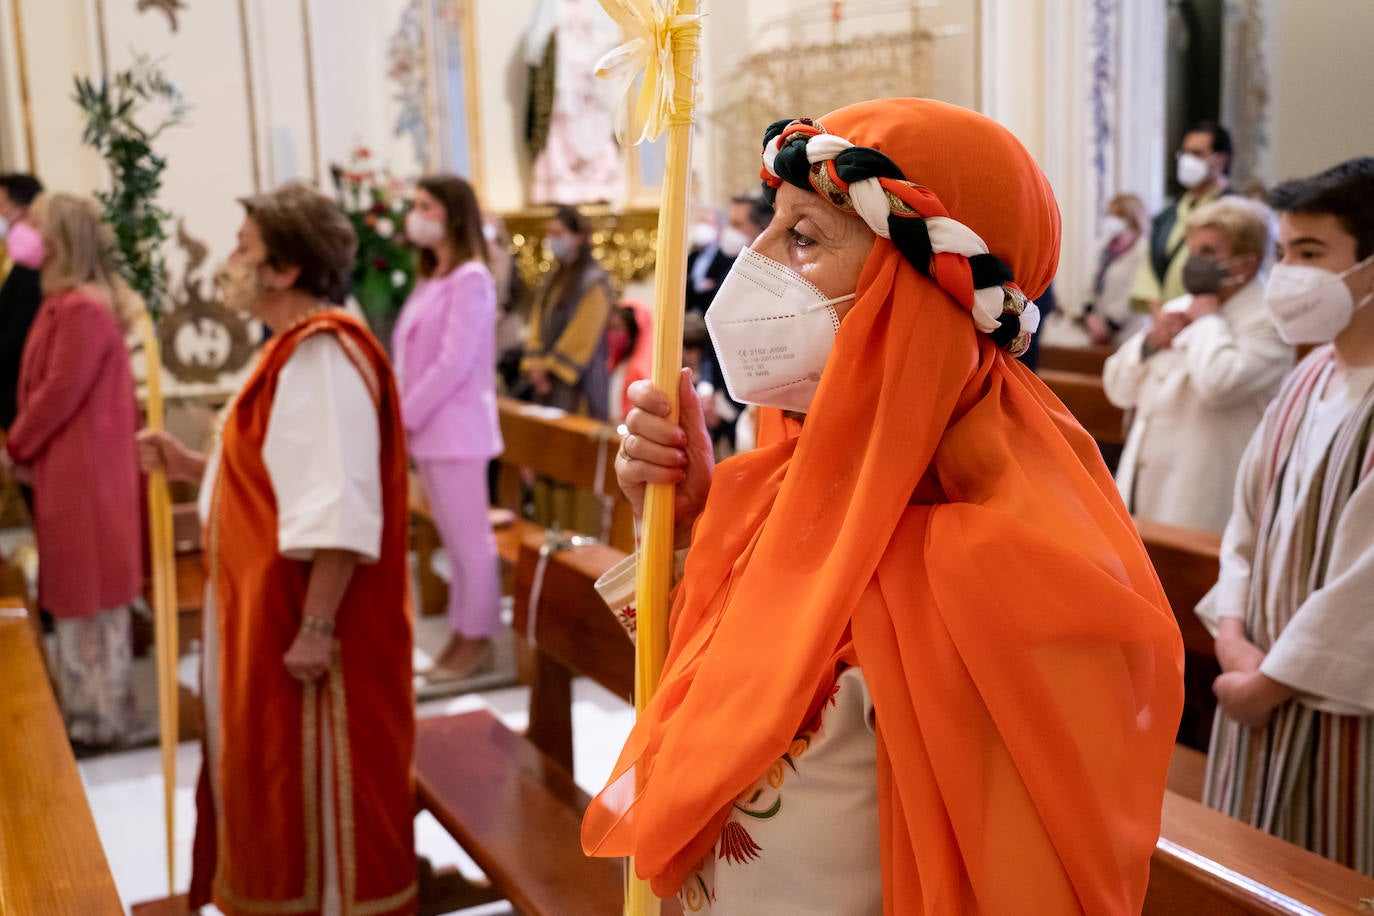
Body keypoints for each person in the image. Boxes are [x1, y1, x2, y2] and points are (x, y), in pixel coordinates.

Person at [583, 99, 1183, 912]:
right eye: (770, 226)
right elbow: (705, 721)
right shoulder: (775, 494)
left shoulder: (1014, 566)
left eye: (802, 238)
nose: (751, 262)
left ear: (915, 297)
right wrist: (689, 528)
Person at [137, 183, 416, 914]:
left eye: (244, 248)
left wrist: (317, 628)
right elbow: (279, 476)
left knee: (312, 805)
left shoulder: (323, 356)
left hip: (304, 626)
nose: (230, 260)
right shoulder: (292, 351)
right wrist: (193, 465)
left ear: (285, 270)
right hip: (263, 613)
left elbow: (340, 506)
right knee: (265, 786)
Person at [1196, 157, 1374, 877]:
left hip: (1337, 706)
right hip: (1255, 684)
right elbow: (1246, 526)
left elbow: (1366, 582)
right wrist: (1235, 640)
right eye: (1282, 254)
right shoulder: (1309, 375)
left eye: (1310, 254)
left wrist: (1267, 681)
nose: (1289, 275)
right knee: (1251, 870)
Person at [3, 192, 143, 750]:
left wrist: (15, 445)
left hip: (84, 475)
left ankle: (103, 718)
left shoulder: (83, 308)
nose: (23, 232)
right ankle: (85, 711)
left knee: (91, 596)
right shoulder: (63, 300)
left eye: (34, 224)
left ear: (59, 236)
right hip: (67, 467)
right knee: (75, 593)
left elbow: (60, 391)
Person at [1103, 197, 1291, 534]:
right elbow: (1117, 388)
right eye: (1192, 251)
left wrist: (1207, 322)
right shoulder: (1180, 306)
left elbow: (1218, 384)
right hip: (1141, 486)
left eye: (1207, 252)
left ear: (1246, 265)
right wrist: (1150, 344)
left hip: (1203, 496)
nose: (1193, 262)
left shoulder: (1270, 322)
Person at [393, 174, 504, 682]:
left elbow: (452, 363)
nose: (414, 215)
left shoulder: (471, 279)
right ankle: (461, 637)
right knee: (454, 544)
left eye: (425, 206)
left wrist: (404, 414)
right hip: (431, 432)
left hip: (456, 430)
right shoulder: (431, 278)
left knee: (469, 542)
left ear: (453, 214)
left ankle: (477, 641)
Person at [519, 204, 613, 418]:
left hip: (578, 379)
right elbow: (537, 321)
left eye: (558, 233)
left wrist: (548, 367)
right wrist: (534, 362)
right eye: (550, 233)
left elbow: (584, 334)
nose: (552, 240)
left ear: (578, 237)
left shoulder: (594, 281)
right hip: (546, 380)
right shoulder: (553, 278)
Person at [1132, 122, 1234, 312]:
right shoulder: (1167, 217)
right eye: (1184, 153)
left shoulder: (1236, 212)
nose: (1187, 160)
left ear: (1220, 160)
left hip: (1215, 315)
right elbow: (1149, 272)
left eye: (1196, 153)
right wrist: (1160, 316)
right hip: (1167, 319)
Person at [0, 173, 45, 434]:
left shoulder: (31, 268)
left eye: (2, 206)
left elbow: (18, 334)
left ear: (24, 210)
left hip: (20, 389)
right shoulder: (15, 260)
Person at [684, 193, 772, 314]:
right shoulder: (735, 267)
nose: (729, 230)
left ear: (762, 229)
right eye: (729, 223)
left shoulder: (770, 274)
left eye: (737, 224)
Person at [1082, 193, 1149, 345]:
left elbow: (1135, 292)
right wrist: (1090, 314)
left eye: (1119, 216)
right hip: (1101, 333)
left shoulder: (1143, 250)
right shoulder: (1107, 250)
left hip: (1130, 333)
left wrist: (1109, 325)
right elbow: (1093, 284)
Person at [607, 298, 651, 423]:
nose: (614, 334)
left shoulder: (638, 369)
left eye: (619, 327)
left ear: (634, 331)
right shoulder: (621, 362)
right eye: (611, 328)